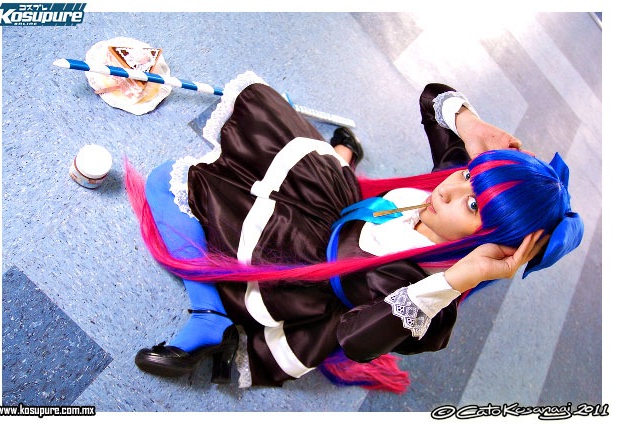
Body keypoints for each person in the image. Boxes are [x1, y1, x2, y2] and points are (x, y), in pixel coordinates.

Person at [124, 72, 583, 390]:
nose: (449, 188)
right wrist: (470, 124)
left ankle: (209, 317)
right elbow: (432, 98)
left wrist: (457, 279)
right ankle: (344, 155)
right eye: (469, 176)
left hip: (299, 267)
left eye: (473, 204)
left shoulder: (428, 300)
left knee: (169, 183)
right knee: (269, 120)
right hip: (330, 203)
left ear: (491, 244)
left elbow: (358, 341)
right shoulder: (448, 184)